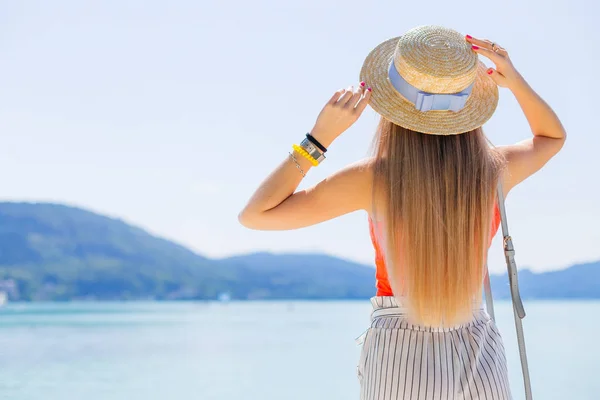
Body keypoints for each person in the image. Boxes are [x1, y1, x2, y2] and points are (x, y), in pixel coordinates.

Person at [238, 25, 566, 400]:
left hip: (399, 353)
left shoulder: (373, 178)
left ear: (391, 104)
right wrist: (517, 83)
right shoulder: (493, 170)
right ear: (470, 102)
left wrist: (319, 138)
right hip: (477, 345)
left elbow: (256, 215)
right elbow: (552, 137)